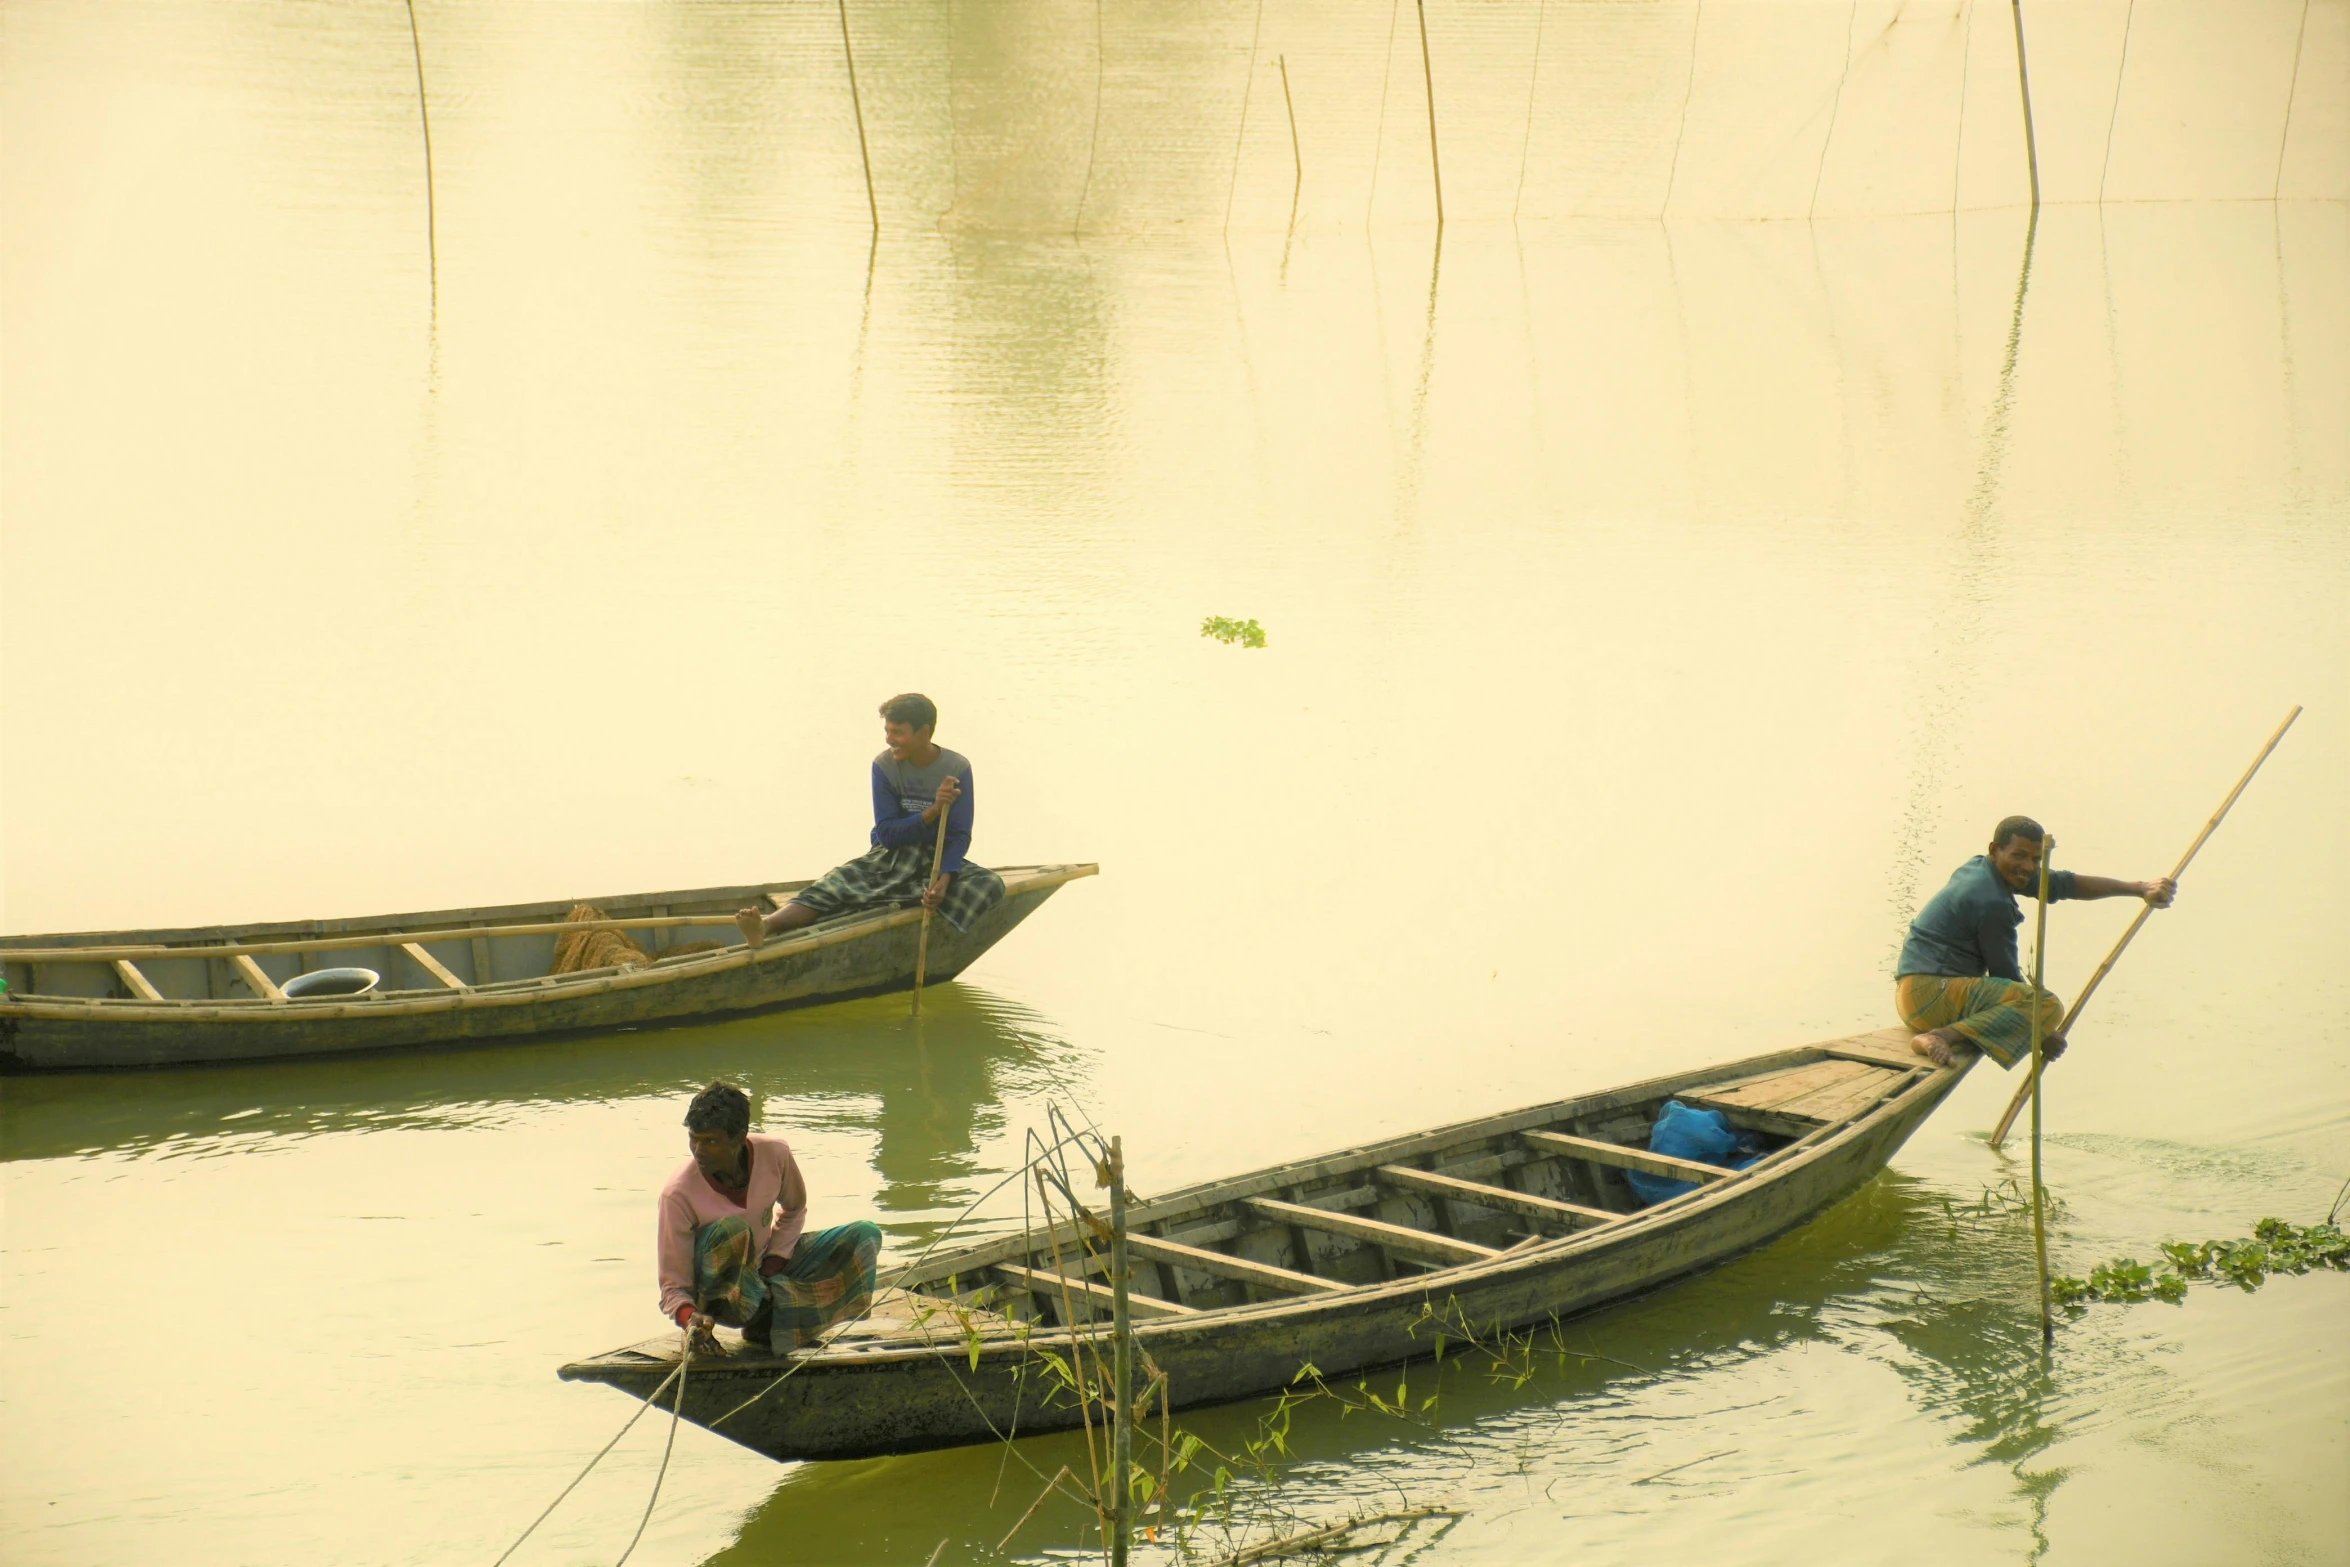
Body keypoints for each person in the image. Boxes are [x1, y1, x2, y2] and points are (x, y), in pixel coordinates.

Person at [1895, 816, 2175, 1069]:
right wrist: (2040, 1033)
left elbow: (2063, 884)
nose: (2028, 867)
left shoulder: (1987, 869)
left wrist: (2138, 889)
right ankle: (1939, 1036)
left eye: (2036, 859)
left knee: (2038, 1007)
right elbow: (2006, 976)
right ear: (1995, 850)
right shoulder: (1989, 901)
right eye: (2019, 856)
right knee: (2046, 1006)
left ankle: (1941, 1033)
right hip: (1930, 997)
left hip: (1913, 996)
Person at [736, 692, 1007, 950]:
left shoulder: (957, 768)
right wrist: (933, 810)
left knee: (990, 884)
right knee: (835, 885)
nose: (890, 739)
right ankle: (766, 925)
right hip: (891, 856)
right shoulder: (885, 766)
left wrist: (945, 879)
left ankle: (912, 896)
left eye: (898, 732)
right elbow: (887, 834)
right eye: (887, 731)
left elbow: (959, 835)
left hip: (935, 858)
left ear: (923, 733)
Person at [656, 1081, 882, 1354]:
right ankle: (760, 1313)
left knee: (864, 1235)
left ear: (739, 1138)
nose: (699, 1150)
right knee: (733, 1229)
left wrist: (773, 1263)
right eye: (694, 1138)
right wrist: (690, 1317)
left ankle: (773, 1324)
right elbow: (673, 1286)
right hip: (722, 1296)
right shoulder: (678, 1194)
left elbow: (794, 1209)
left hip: (763, 1273)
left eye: (711, 1141)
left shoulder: (775, 1154)